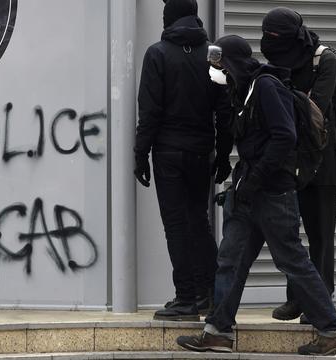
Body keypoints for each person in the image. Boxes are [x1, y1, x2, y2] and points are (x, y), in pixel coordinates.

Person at [175, 35, 336, 355]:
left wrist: (253, 180)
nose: (218, 70)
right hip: (249, 193)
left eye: (221, 63)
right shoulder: (242, 91)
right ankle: (218, 331)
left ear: (235, 62)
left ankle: (333, 328)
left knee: (292, 260)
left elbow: (285, 136)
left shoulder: (267, 87)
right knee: (231, 259)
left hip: (273, 192)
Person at [134, 0, 232, 321]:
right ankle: (211, 295)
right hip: (201, 152)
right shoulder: (213, 54)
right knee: (199, 223)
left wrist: (140, 154)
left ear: (170, 17)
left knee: (176, 225)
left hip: (169, 153)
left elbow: (149, 111)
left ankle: (186, 298)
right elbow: (224, 109)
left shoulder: (158, 54)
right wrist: (223, 153)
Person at [260, 7, 336, 324]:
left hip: (322, 162)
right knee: (290, 235)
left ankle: (320, 303)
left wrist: (285, 103)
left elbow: (314, 110)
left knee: (321, 235)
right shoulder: (279, 59)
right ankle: (295, 298)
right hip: (290, 160)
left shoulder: (325, 61)